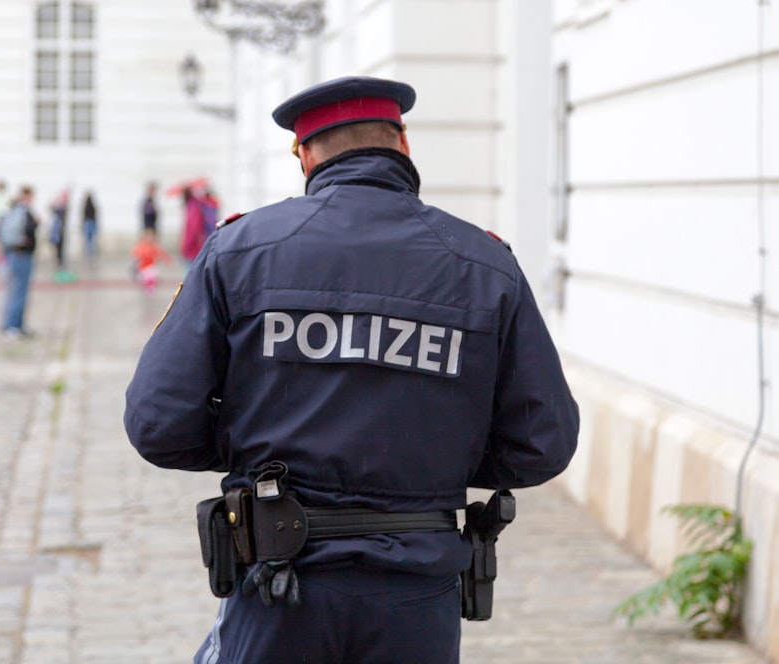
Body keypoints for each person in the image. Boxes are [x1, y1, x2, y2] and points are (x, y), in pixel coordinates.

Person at [123, 76, 580, 664]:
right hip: (418, 596)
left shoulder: (241, 250)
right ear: (403, 146)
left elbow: (157, 424)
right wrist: (432, 453)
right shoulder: (485, 265)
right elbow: (542, 443)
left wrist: (256, 442)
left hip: (278, 584)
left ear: (306, 156)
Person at [1, 185, 38, 338]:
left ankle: (12, 324)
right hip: (23, 255)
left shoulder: (11, 211)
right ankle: (14, 326)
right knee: (20, 292)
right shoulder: (25, 212)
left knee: (12, 291)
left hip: (12, 253)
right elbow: (30, 229)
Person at [130, 228, 173, 294]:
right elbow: (134, 253)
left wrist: (168, 261)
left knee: (151, 278)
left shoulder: (154, 246)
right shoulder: (141, 245)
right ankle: (147, 288)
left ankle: (150, 290)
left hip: (151, 267)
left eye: (151, 236)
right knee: (144, 280)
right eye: (148, 236)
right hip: (143, 268)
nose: (149, 238)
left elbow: (162, 253)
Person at [179, 187, 206, 269]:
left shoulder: (192, 208)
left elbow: (193, 229)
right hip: (196, 246)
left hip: (193, 247)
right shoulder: (195, 206)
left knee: (190, 272)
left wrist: (186, 245)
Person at [49, 189, 69, 270]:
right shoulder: (59, 207)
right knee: (58, 248)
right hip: (57, 231)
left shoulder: (63, 208)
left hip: (60, 231)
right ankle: (59, 262)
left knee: (61, 248)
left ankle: (61, 263)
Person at [82, 193, 98, 261]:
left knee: (88, 242)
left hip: (88, 224)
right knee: (91, 242)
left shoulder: (86, 206)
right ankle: (91, 255)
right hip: (91, 224)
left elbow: (84, 217)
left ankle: (89, 255)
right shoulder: (93, 206)